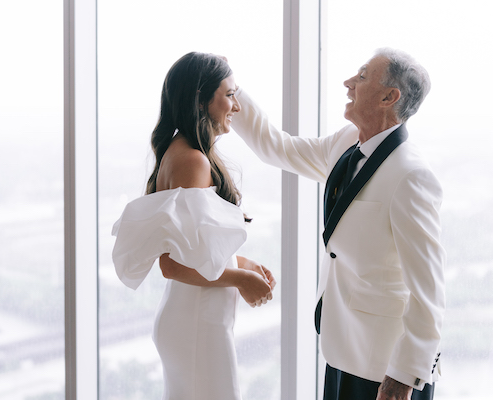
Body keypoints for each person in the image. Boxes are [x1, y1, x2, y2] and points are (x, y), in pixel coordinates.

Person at [231, 48, 445, 400]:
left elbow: (429, 289)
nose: (348, 84)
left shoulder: (411, 176)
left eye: (361, 77)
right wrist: (230, 91)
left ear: (390, 97)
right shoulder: (346, 142)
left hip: (387, 371)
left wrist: (403, 377)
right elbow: (277, 147)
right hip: (343, 350)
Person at [111, 52, 276, 400]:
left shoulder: (184, 150)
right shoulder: (192, 160)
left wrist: (243, 264)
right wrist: (241, 279)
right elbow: (172, 264)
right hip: (198, 325)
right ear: (201, 99)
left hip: (195, 320)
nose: (237, 107)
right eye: (229, 95)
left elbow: (194, 248)